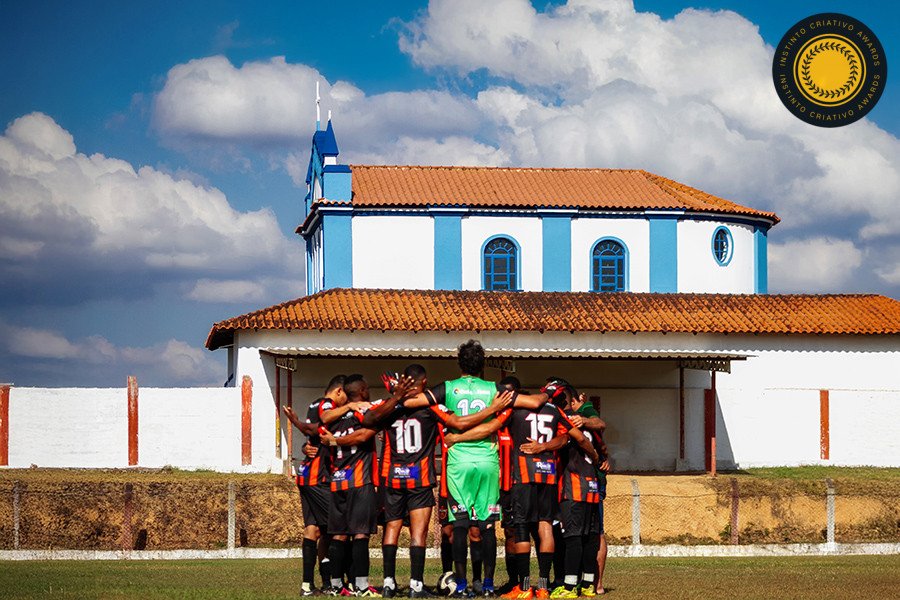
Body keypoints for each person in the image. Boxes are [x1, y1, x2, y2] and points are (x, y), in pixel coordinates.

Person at [365, 340, 559, 598]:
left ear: (459, 364)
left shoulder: (447, 388)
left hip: (458, 462)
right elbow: (534, 403)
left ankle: (459, 585)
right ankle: (487, 585)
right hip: (488, 462)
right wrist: (550, 392)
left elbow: (411, 404)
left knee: (459, 525)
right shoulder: (495, 389)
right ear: (483, 365)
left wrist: (397, 391)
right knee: (487, 526)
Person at [445, 382, 598, 600]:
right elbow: (576, 438)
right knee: (545, 526)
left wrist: (457, 437)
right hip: (548, 475)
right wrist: (595, 456)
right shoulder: (555, 411)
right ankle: (543, 587)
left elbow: (490, 428)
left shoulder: (516, 410)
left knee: (522, 528)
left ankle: (525, 587)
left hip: (524, 476)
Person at [373, 364, 512, 598]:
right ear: (424, 383)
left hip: (392, 476)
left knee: (392, 527)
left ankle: (388, 583)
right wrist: (492, 410)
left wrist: (393, 396)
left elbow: (369, 419)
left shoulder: (385, 407)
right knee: (419, 531)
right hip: (420, 476)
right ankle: (416, 585)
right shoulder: (430, 407)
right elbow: (454, 426)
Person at [318, 374, 411, 597]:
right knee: (360, 535)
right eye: (367, 388)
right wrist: (395, 396)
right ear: (361, 391)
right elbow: (364, 434)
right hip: (360, 481)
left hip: (338, 482)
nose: (368, 391)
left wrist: (333, 440)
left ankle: (337, 585)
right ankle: (361, 586)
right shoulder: (364, 412)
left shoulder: (333, 419)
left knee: (339, 535)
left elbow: (322, 419)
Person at [283, 375, 349, 595]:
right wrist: (353, 406)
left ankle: (307, 585)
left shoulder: (314, 403)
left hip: (306, 475)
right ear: (339, 391)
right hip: (318, 478)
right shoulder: (326, 404)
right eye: (346, 396)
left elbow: (313, 434)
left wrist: (304, 445)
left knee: (314, 529)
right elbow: (320, 424)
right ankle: (332, 582)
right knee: (337, 528)